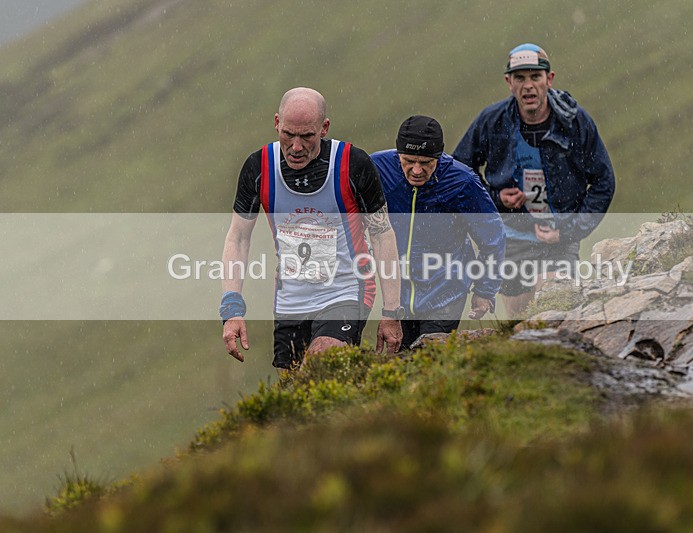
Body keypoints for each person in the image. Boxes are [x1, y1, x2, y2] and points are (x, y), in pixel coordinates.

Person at [220, 87, 403, 370]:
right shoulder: (259, 167)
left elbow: (382, 234)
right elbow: (238, 238)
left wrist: (391, 311)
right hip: (291, 299)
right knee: (295, 386)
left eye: (307, 136)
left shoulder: (352, 164)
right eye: (288, 134)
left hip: (345, 289)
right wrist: (232, 308)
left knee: (321, 361)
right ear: (277, 123)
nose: (296, 147)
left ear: (324, 128)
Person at [453, 43, 615, 317]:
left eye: (535, 77)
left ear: (549, 79)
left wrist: (569, 230)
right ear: (509, 82)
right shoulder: (492, 121)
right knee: (518, 321)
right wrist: (496, 198)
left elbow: (603, 181)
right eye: (520, 78)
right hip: (511, 236)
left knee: (552, 309)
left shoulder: (574, 121)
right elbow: (460, 172)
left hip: (559, 236)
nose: (528, 86)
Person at [371, 115, 505, 349]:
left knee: (430, 357)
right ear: (398, 153)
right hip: (398, 293)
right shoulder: (378, 167)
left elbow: (492, 238)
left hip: (446, 294)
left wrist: (485, 290)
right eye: (408, 161)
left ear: (439, 157)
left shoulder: (462, 181)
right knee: (402, 360)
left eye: (426, 163)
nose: (416, 170)